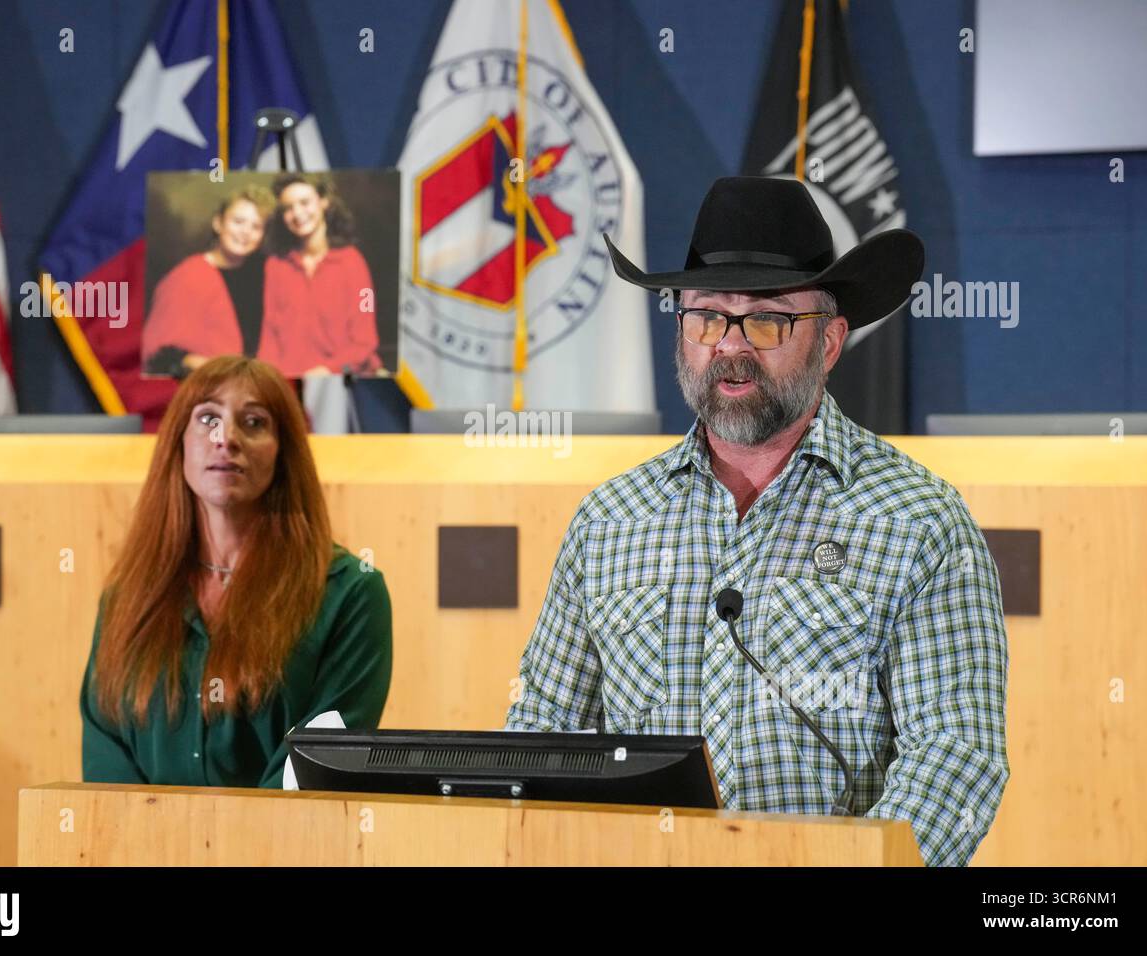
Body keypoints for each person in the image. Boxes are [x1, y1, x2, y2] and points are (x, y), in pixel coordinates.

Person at [505, 176, 1009, 867]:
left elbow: (956, 757)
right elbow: (544, 738)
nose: (729, 346)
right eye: (707, 316)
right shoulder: (608, 522)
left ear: (830, 342)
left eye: (767, 319)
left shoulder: (919, 521)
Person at [81, 355, 393, 787]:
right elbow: (106, 753)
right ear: (178, 444)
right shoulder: (127, 595)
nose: (226, 438)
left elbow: (313, 764)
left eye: (254, 422)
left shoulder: (349, 593)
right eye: (207, 417)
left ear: (284, 451)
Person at [260, 172, 384, 377]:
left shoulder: (354, 263)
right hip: (289, 379)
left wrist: (328, 371)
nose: (297, 214)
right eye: (288, 208)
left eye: (304, 202)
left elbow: (365, 342)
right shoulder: (275, 266)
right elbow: (269, 336)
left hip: (341, 375)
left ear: (324, 202)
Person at [142, 186, 274, 377]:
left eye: (256, 227)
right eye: (238, 221)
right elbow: (159, 355)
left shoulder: (267, 275)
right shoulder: (185, 277)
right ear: (218, 223)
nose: (246, 232)